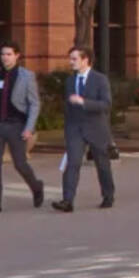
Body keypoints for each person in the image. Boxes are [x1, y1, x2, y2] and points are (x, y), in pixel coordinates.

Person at [0, 42, 44, 214]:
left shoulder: (27, 76)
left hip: (16, 125)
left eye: (9, 54)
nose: (5, 57)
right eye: (3, 54)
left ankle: (36, 187)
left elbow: (34, 104)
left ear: (17, 55)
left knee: (20, 163)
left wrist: (29, 128)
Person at [51, 46, 116, 212]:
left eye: (74, 59)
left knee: (102, 164)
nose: (71, 62)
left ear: (85, 59)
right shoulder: (69, 81)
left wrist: (84, 102)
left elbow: (106, 104)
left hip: (96, 128)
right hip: (75, 129)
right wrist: (67, 129)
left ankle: (108, 195)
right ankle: (67, 201)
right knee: (72, 163)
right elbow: (67, 106)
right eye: (70, 59)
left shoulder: (100, 79)